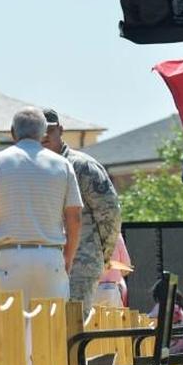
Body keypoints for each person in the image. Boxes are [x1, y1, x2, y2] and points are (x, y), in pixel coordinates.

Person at [0, 106, 82, 302]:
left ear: (13, 132)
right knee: (51, 328)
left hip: (10, 256)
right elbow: (75, 218)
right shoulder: (63, 165)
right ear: (43, 133)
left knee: (11, 328)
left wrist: (9, 215)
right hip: (49, 255)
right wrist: (68, 258)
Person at [41, 108, 121, 310]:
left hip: (79, 263)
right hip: (44, 264)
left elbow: (109, 214)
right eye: (39, 131)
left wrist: (100, 255)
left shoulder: (81, 166)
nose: (44, 136)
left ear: (60, 130)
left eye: (49, 130)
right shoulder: (33, 169)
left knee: (73, 327)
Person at [91, 233, 131, 308]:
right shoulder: (117, 236)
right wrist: (115, 273)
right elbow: (126, 266)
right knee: (115, 318)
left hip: (92, 290)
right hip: (111, 289)